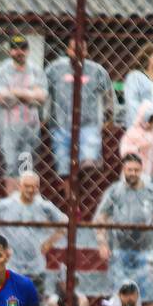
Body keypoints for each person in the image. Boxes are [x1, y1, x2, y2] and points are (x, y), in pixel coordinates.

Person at [93, 153, 153, 306]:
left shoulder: (152, 191)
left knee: (151, 298)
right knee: (118, 300)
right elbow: (101, 218)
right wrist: (102, 243)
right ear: (123, 170)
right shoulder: (115, 192)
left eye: (136, 170)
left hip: (147, 252)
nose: (133, 173)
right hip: (120, 252)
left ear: (141, 170)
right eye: (129, 170)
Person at [0, 170, 66, 297]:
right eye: (27, 186)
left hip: (36, 265)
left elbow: (65, 223)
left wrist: (49, 243)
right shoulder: (6, 205)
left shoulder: (44, 206)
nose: (30, 190)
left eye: (34, 186)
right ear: (19, 186)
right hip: (11, 265)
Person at [45, 39, 114, 193]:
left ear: (86, 51)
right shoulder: (55, 68)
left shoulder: (96, 71)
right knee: (64, 170)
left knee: (88, 162)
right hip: (60, 125)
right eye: (74, 49)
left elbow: (108, 95)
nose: (77, 53)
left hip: (88, 125)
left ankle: (78, 186)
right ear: (68, 50)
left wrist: (109, 117)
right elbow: (43, 91)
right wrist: (43, 115)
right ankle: (72, 202)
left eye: (81, 49)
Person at [0, 34, 47, 195]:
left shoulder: (35, 71)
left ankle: (24, 200)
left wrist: (15, 92)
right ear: (10, 51)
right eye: (15, 48)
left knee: (26, 167)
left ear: (27, 51)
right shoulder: (2, 71)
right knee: (11, 165)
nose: (19, 52)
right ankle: (12, 200)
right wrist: (29, 94)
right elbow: (0, 97)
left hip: (30, 128)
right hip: (8, 126)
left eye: (22, 48)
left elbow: (42, 97)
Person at [123, 42, 153, 129]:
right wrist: (147, 118)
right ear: (148, 56)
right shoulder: (135, 76)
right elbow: (131, 102)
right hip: (139, 125)